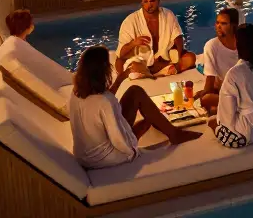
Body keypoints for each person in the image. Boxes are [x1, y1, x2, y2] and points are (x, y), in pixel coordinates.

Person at [68, 45, 201, 169]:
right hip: (105, 158)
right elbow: (118, 138)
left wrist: (121, 78)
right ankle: (174, 134)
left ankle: (171, 131)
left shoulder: (76, 93)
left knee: (136, 93)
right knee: (148, 119)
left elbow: (101, 102)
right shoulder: (105, 102)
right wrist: (132, 151)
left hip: (83, 156)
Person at [116, 0, 197, 78]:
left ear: (158, 1)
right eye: (145, 1)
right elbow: (121, 54)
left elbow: (177, 37)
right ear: (141, 1)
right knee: (134, 67)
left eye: (152, 1)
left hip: (163, 61)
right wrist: (134, 43)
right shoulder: (130, 21)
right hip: (141, 63)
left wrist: (178, 57)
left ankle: (155, 72)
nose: (148, 5)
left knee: (190, 58)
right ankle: (158, 72)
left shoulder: (168, 14)